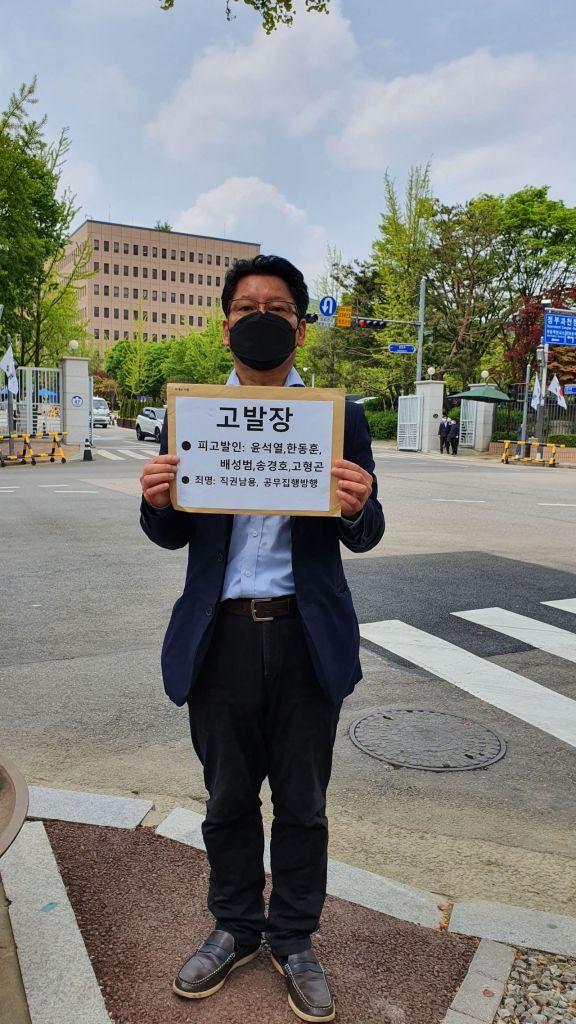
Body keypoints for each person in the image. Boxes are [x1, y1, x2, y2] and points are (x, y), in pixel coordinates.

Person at [139, 254, 384, 1023]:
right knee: (227, 800)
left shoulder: (338, 419)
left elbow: (367, 530)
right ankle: (236, 926)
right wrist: (156, 500)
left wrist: (357, 506)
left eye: (277, 308)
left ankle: (295, 938)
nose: (261, 319)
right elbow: (172, 532)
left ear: (301, 328)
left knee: (303, 805)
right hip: (220, 637)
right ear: (225, 326)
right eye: (247, 307)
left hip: (306, 635)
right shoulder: (194, 413)